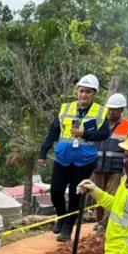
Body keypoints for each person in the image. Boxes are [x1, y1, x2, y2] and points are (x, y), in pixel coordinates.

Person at [39, 74, 111, 242]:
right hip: (62, 158)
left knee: (75, 195)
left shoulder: (100, 112)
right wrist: (43, 153)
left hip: (85, 161)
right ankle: (61, 217)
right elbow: (53, 132)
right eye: (81, 91)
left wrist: (85, 133)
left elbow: (104, 134)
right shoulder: (66, 108)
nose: (83, 94)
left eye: (88, 92)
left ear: (94, 94)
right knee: (56, 191)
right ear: (77, 91)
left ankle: (67, 229)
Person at [91, 93, 128, 231]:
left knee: (111, 195)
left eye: (115, 109)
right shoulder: (99, 122)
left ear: (121, 110)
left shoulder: (127, 125)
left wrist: (127, 170)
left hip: (116, 168)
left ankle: (105, 224)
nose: (111, 111)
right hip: (98, 165)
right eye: (110, 108)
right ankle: (99, 221)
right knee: (97, 194)